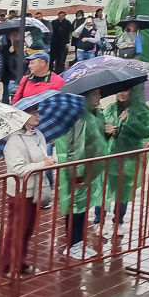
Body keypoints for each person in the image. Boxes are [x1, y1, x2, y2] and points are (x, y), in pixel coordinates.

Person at [0, 107, 54, 275]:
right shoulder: (15, 140)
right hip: (20, 191)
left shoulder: (38, 134)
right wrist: (42, 165)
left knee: (28, 228)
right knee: (16, 229)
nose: (38, 115)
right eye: (33, 113)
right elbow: (17, 168)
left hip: (35, 188)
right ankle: (7, 265)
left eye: (38, 112)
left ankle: (21, 261)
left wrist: (51, 161)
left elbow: (46, 156)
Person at [55, 91, 109, 259]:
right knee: (75, 208)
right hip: (78, 171)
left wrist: (107, 133)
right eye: (95, 94)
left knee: (83, 207)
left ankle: (79, 243)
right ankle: (73, 244)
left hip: (90, 170)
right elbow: (75, 147)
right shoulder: (79, 118)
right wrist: (76, 173)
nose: (99, 98)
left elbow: (96, 141)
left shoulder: (96, 114)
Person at [98, 85, 149, 226]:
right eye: (119, 90)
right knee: (103, 188)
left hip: (128, 156)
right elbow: (101, 128)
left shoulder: (142, 111)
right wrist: (107, 130)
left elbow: (147, 132)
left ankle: (118, 221)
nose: (121, 93)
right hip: (108, 155)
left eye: (125, 89)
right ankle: (98, 220)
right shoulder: (110, 108)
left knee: (122, 190)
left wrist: (129, 121)